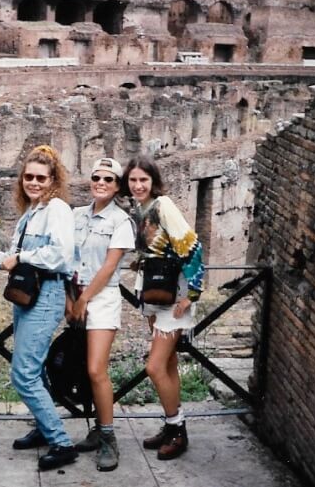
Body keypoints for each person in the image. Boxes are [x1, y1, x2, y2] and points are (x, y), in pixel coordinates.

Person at [0, 145, 78, 471]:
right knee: (33, 370)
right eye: (28, 177)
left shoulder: (58, 209)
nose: (33, 182)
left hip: (47, 296)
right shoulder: (30, 213)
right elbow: (11, 254)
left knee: (22, 374)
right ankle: (43, 427)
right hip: (26, 297)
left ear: (53, 180)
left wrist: (22, 258)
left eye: (40, 177)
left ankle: (62, 443)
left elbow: (61, 256)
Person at [121, 155, 205, 461]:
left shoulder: (164, 205)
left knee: (154, 366)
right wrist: (139, 259)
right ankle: (171, 426)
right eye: (133, 180)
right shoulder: (138, 209)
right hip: (154, 293)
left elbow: (192, 246)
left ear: (153, 181)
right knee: (167, 366)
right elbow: (158, 246)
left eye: (143, 180)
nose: (138, 185)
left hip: (175, 297)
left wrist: (193, 293)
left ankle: (178, 431)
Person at [69, 158, 135, 472]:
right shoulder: (75, 215)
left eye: (109, 179)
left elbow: (110, 267)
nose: (101, 183)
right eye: (97, 177)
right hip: (76, 297)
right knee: (82, 368)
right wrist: (71, 300)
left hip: (102, 298)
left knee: (97, 370)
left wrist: (83, 300)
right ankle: (96, 429)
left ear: (118, 186)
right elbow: (68, 259)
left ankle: (109, 437)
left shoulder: (121, 221)